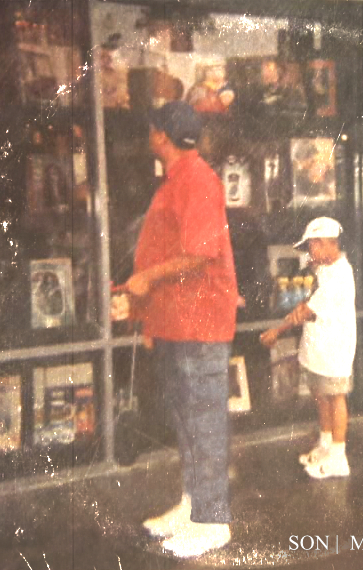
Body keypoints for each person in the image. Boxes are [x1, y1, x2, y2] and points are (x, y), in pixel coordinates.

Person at [123, 101, 238, 557]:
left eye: (151, 130)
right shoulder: (178, 179)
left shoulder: (197, 179)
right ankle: (193, 506)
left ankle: (213, 522)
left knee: (203, 422)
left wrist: (147, 277)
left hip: (200, 323)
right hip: (176, 320)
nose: (148, 136)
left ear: (160, 136)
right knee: (186, 420)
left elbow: (201, 253)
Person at [260, 217, 356, 479]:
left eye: (311, 246)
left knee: (336, 398)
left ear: (325, 243)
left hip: (334, 351)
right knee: (321, 397)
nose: (309, 253)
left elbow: (305, 311)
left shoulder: (339, 275)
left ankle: (338, 458)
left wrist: (276, 332)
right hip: (318, 349)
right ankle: (326, 445)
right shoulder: (324, 267)